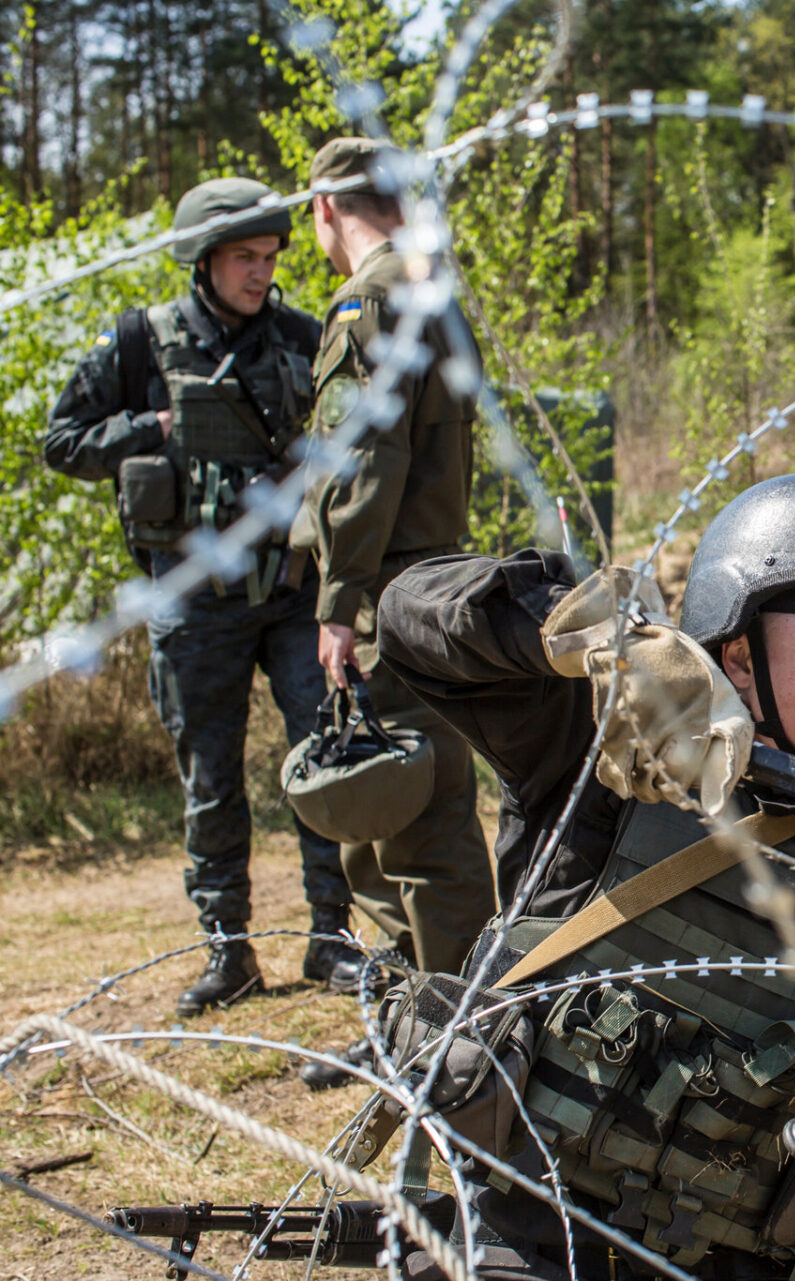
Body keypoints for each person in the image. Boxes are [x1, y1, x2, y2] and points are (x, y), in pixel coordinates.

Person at [376, 473, 795, 1280]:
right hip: (515, 1238)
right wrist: (598, 637)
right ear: (739, 660)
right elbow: (406, 613)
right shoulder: (607, 759)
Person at [44, 177, 354, 1018]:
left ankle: (335, 937)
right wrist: (153, 429)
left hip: (292, 595)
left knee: (326, 759)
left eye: (269, 257)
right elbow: (61, 441)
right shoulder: (141, 344)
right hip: (194, 604)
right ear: (203, 260)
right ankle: (229, 950)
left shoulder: (302, 335)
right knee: (209, 778)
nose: (261, 273)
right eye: (244, 259)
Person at [294, 136, 494, 1089]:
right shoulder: (438, 295)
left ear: (327, 209)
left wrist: (338, 603)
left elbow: (360, 464)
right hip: (437, 582)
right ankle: (425, 1019)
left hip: (387, 593)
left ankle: (450, 1037)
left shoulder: (368, 300)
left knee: (405, 829)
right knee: (423, 816)